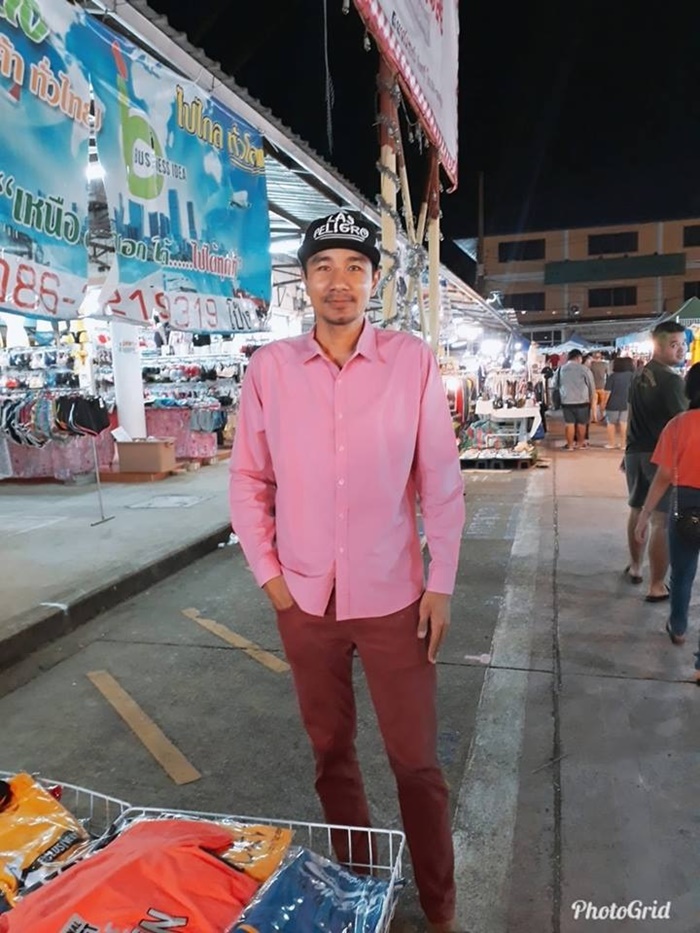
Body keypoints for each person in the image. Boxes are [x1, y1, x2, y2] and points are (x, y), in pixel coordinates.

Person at [229, 209, 465, 933]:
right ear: (303, 280)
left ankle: (440, 904)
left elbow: (440, 479)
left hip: (395, 599)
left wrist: (441, 582)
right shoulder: (270, 370)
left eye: (355, 268)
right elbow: (249, 478)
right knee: (331, 753)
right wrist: (271, 576)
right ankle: (360, 892)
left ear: (374, 279)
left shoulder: (411, 362)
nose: (340, 282)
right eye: (324, 267)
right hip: (305, 600)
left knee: (415, 761)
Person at [635, 363, 700, 683]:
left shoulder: (678, 425)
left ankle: (678, 627)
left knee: (682, 573)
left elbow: (662, 477)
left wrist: (644, 514)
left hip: (685, 504)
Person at [624, 321, 687, 599]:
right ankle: (657, 585)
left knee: (637, 509)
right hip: (660, 457)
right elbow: (683, 422)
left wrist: (626, 451)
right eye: (674, 345)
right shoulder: (672, 381)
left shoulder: (638, 374)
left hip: (634, 453)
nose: (681, 349)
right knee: (661, 521)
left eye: (683, 343)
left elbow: (630, 414)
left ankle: (636, 567)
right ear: (658, 346)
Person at [554, 349, 597, 449]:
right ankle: (580, 444)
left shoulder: (560, 369)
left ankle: (570, 446)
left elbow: (555, 385)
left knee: (569, 423)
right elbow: (591, 386)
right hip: (582, 401)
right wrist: (592, 400)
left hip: (566, 401)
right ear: (578, 358)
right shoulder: (584, 369)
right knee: (582, 424)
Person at [603, 356, 635, 449]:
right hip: (627, 403)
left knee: (611, 423)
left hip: (612, 403)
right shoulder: (632, 376)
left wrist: (603, 404)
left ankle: (611, 443)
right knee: (624, 423)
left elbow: (607, 392)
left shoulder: (612, 376)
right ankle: (623, 444)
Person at [589, 351, 610, 421]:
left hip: (593, 386)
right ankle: (602, 415)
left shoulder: (591, 365)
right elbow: (608, 375)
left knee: (594, 403)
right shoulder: (605, 364)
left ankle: (594, 417)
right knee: (602, 402)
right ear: (600, 357)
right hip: (602, 386)